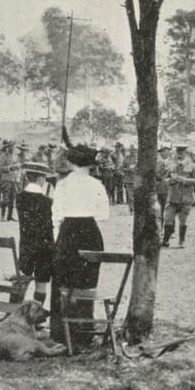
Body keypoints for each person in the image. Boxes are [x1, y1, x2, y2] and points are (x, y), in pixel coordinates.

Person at [49, 133, 109, 352]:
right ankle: (84, 330)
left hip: (68, 232)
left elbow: (56, 214)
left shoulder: (63, 185)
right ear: (90, 165)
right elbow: (104, 214)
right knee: (87, 282)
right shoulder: (97, 185)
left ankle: (61, 332)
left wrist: (61, 235)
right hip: (90, 232)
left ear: (72, 163)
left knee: (64, 284)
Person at [16, 162, 55, 310]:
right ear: (40, 178)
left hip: (26, 245)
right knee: (42, 282)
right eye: (44, 177)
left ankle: (15, 312)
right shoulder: (47, 201)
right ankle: (36, 313)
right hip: (44, 247)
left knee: (23, 278)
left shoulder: (19, 198)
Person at [163, 146, 195, 248]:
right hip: (173, 197)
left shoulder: (193, 166)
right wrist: (170, 180)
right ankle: (165, 240)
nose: (179, 154)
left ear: (186, 153)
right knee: (168, 218)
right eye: (178, 152)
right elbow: (165, 179)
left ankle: (181, 241)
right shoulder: (171, 165)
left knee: (183, 220)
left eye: (182, 152)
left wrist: (185, 180)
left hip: (185, 198)